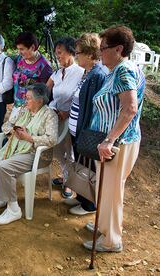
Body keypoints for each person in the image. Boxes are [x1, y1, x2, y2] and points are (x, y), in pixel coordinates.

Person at [83, 25, 146, 252]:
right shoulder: (119, 70)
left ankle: (112, 240)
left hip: (118, 143)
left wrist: (109, 140)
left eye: (103, 48)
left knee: (112, 190)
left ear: (118, 49)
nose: (100, 53)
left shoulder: (123, 70)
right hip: (114, 141)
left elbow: (129, 109)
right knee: (107, 187)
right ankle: (103, 225)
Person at [0, 83, 58, 225]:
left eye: (28, 98)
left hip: (35, 154)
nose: (25, 100)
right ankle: (4, 196)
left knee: (4, 166)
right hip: (15, 149)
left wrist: (29, 138)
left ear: (39, 100)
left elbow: (52, 139)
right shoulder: (24, 110)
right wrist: (13, 130)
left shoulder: (50, 115)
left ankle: (14, 209)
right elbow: (6, 126)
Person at [63, 33, 108, 215]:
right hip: (77, 130)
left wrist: (85, 132)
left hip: (86, 132)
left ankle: (89, 205)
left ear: (90, 54)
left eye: (79, 52)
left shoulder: (98, 75)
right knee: (81, 165)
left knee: (88, 168)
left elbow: (95, 108)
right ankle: (82, 198)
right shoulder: (88, 72)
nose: (76, 56)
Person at [46, 37, 84, 198]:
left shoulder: (81, 72)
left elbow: (83, 98)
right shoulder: (56, 73)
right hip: (55, 117)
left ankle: (71, 183)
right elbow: (45, 92)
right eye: (56, 53)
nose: (58, 56)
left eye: (60, 53)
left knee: (70, 151)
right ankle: (65, 175)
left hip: (70, 118)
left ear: (71, 52)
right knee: (58, 150)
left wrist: (67, 113)